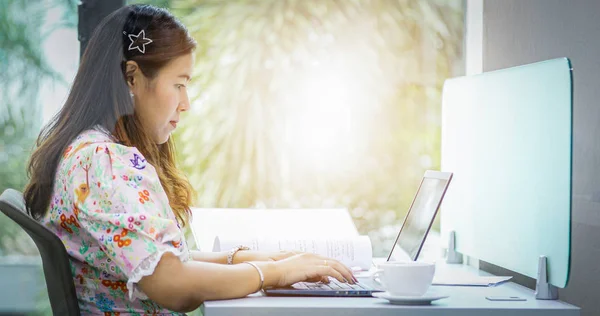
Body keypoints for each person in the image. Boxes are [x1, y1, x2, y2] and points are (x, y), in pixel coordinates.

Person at [23, 4, 356, 315]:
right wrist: (272, 273)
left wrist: (248, 259)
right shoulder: (104, 163)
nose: (186, 103)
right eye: (179, 85)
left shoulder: (88, 151)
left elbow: (155, 259)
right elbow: (172, 283)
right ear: (132, 78)